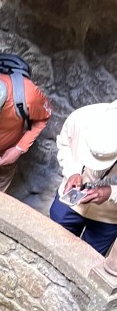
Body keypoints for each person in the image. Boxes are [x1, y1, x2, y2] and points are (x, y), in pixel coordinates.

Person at [49, 102, 117, 255]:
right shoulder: (81, 118)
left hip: (109, 217)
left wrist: (111, 193)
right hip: (69, 202)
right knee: (51, 246)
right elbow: (64, 143)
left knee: (87, 262)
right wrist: (72, 171)